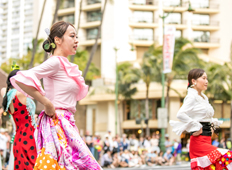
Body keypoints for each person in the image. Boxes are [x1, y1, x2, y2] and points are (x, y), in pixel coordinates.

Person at [10, 21, 102, 169]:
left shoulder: (63, 64)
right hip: (56, 122)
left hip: (66, 122)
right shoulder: (55, 62)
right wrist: (46, 103)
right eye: (72, 36)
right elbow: (21, 79)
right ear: (58, 40)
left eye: (76, 36)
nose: (76, 40)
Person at [170, 68, 232, 169]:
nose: (206, 81)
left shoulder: (203, 97)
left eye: (207, 78)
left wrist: (212, 122)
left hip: (207, 140)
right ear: (194, 81)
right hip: (198, 142)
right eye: (203, 78)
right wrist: (196, 126)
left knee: (214, 167)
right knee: (227, 156)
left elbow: (203, 116)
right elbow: (180, 114)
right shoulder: (191, 97)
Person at [1, 69, 37, 170]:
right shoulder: (21, 94)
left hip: (19, 138)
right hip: (29, 138)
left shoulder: (8, 96)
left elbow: (3, 90)